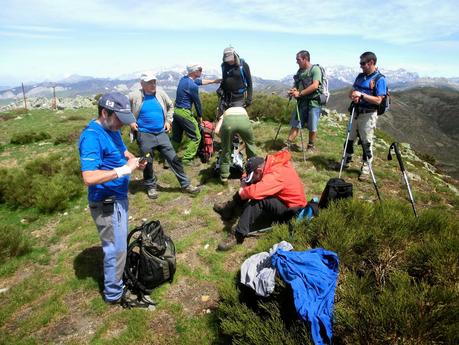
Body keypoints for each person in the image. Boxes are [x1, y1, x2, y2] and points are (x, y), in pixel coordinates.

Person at [78, 92, 148, 307]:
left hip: (118, 198)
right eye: (119, 119)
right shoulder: (92, 136)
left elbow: (121, 150)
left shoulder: (111, 128)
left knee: (118, 246)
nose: (122, 126)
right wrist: (123, 170)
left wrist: (133, 159)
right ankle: (113, 294)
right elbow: (88, 177)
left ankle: (117, 281)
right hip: (106, 201)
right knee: (115, 249)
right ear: (104, 113)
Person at [214, 150, 307, 251]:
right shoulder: (270, 163)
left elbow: (253, 193)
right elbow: (249, 176)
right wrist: (245, 180)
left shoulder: (276, 175)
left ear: (259, 170)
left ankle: (238, 234)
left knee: (259, 199)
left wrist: (242, 191)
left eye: (253, 175)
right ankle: (228, 209)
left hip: (293, 212)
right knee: (252, 184)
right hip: (284, 201)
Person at [129, 72, 200, 199]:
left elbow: (171, 105)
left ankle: (186, 184)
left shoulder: (160, 93)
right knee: (147, 161)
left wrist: (168, 121)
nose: (153, 84)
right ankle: (151, 186)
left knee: (173, 159)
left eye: (154, 82)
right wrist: (131, 122)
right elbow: (123, 109)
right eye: (149, 82)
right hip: (145, 134)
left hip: (161, 133)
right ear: (142, 84)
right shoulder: (134, 95)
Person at [346, 51, 387, 179]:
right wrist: (353, 95)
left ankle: (366, 168)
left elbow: (379, 100)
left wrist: (362, 95)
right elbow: (352, 91)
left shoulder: (380, 79)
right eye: (360, 63)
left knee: (366, 142)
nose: (361, 66)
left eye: (363, 63)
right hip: (356, 111)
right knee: (349, 138)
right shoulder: (360, 76)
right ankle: (346, 160)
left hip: (368, 114)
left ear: (371, 63)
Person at [172, 64, 220, 165]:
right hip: (184, 113)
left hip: (176, 112)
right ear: (194, 71)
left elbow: (199, 81)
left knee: (176, 138)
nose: (201, 71)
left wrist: (214, 81)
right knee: (196, 136)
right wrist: (200, 116)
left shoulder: (184, 79)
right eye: (200, 70)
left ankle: (168, 160)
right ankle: (186, 159)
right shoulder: (192, 86)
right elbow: (197, 103)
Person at [285, 50, 323, 152]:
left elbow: (315, 85)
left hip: (313, 102)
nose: (297, 62)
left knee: (312, 125)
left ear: (305, 59)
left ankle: (310, 146)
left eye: (298, 59)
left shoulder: (315, 70)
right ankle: (288, 144)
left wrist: (300, 93)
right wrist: (293, 90)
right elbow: (297, 84)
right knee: (296, 123)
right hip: (302, 102)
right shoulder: (300, 71)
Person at [214, 106, 258, 184]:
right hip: (243, 120)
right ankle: (253, 172)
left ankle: (224, 177)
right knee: (251, 145)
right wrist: (238, 149)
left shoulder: (225, 113)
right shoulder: (243, 111)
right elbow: (247, 142)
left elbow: (217, 131)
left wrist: (225, 140)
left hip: (228, 123)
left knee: (225, 150)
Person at [217, 47, 253, 116]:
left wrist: (249, 98)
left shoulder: (243, 65)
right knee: (222, 118)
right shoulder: (224, 65)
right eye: (227, 60)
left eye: (231, 59)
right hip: (225, 98)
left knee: (236, 118)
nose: (229, 61)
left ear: (235, 55)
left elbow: (249, 83)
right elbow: (224, 80)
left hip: (238, 99)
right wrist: (220, 88)